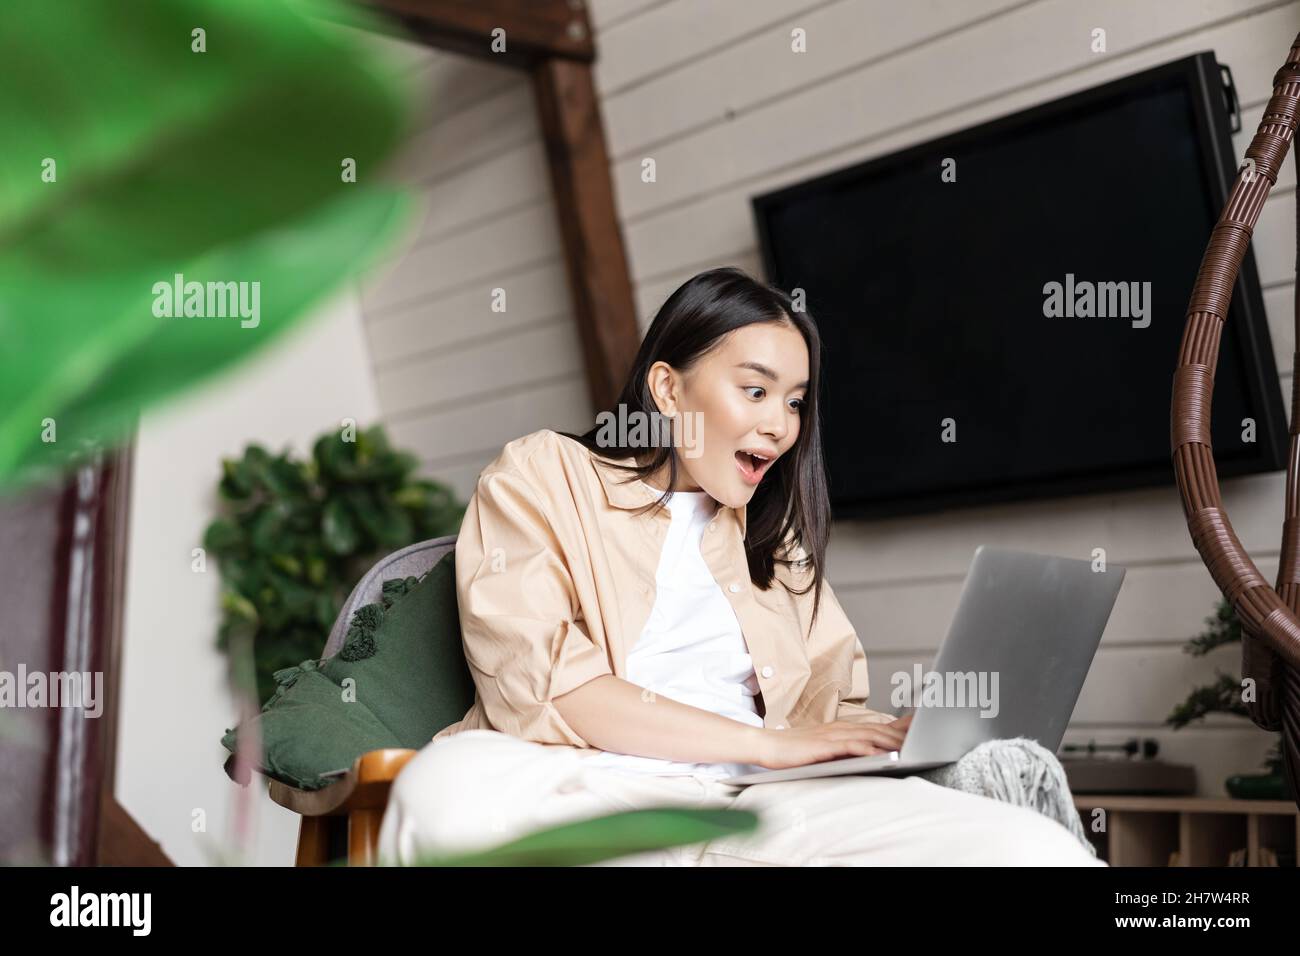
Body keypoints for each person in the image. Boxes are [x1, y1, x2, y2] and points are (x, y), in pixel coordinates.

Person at [377, 267, 1105, 867]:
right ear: (667, 390)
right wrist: (767, 744)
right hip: (581, 781)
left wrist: (899, 736)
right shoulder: (543, 473)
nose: (780, 425)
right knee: (444, 789)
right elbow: (548, 688)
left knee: (1031, 850)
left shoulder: (775, 541)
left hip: (758, 802)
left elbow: (829, 710)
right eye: (754, 391)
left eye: (793, 401)